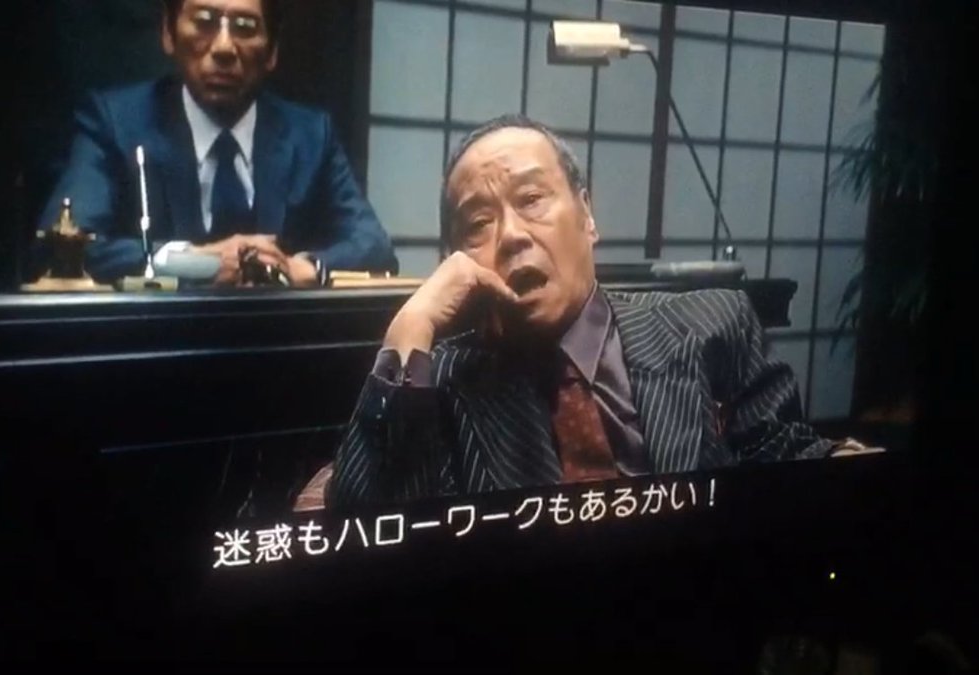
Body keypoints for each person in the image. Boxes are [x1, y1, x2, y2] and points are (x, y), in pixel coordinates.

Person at [326, 115, 871, 510]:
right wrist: (410, 328)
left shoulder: (713, 324)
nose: (512, 235)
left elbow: (782, 455)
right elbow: (364, 521)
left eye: (532, 199)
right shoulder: (442, 380)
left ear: (587, 215)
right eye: (478, 223)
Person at [37, 0, 397, 285]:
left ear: (272, 51)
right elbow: (62, 247)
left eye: (245, 28)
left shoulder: (310, 134)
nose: (224, 47)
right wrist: (195, 262)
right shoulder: (116, 122)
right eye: (204, 22)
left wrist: (306, 266)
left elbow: (374, 246)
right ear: (168, 33)